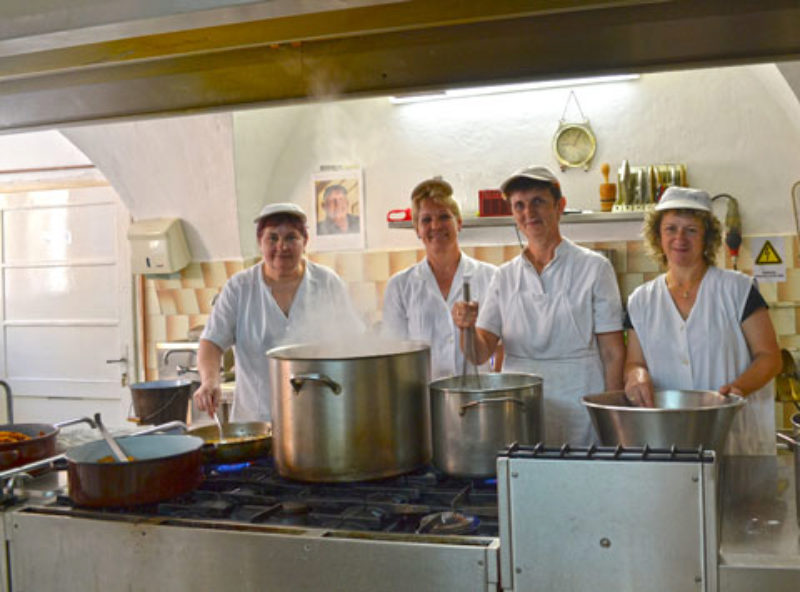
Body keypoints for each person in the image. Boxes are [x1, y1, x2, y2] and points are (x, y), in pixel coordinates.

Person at [452, 165, 625, 445]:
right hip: (521, 405)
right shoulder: (504, 276)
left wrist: (613, 417)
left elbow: (613, 352)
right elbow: (479, 353)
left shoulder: (594, 268)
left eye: (538, 202)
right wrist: (466, 329)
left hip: (581, 403)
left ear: (560, 206)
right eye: (519, 205)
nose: (528, 213)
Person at [623, 186, 781, 455]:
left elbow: (770, 357)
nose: (680, 238)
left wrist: (739, 388)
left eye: (691, 230)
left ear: (706, 237)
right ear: (658, 235)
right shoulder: (641, 301)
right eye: (671, 228)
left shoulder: (738, 290)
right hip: (667, 439)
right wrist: (636, 376)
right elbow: (634, 362)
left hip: (735, 438)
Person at [194, 202, 363, 422]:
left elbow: (354, 341)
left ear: (305, 242)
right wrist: (209, 381)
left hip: (318, 421)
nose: (281, 247)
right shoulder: (240, 288)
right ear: (260, 242)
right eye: (272, 238)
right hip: (257, 424)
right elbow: (211, 342)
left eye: (291, 237)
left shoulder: (327, 283)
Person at [382, 177, 499, 380]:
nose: (435, 226)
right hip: (422, 399)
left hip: (477, 399)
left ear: (459, 223)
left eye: (444, 217)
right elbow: (394, 355)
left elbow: (503, 347)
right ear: (417, 230)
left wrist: (497, 384)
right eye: (426, 220)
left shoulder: (490, 277)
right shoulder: (399, 286)